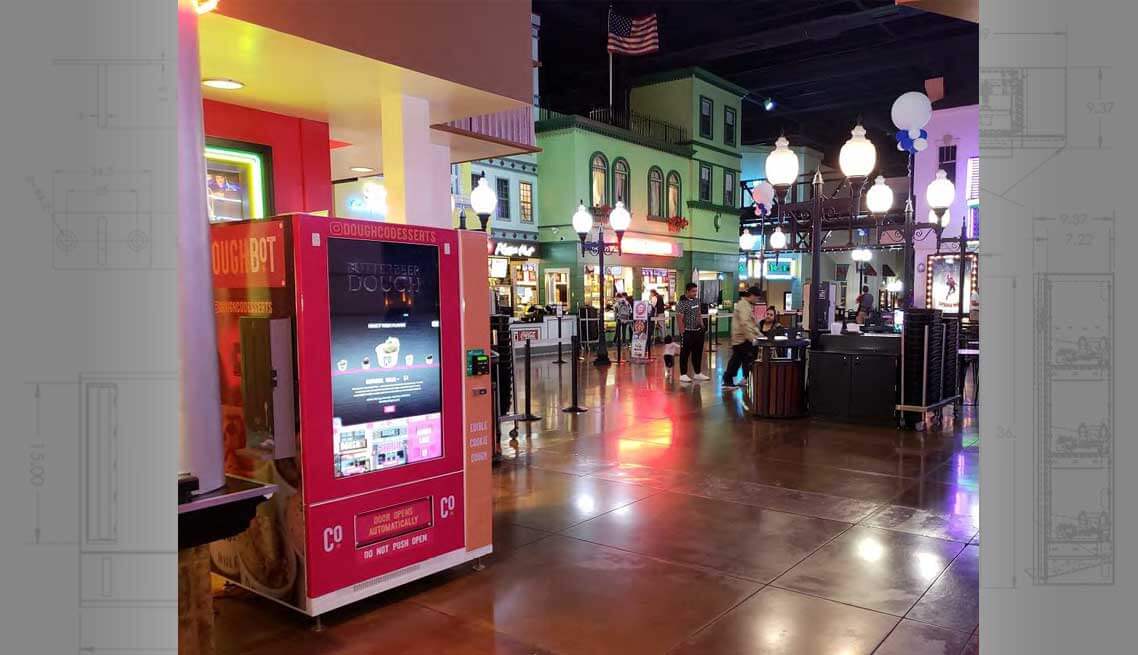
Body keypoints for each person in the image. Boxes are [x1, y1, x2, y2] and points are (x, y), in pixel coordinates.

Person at [722, 287, 761, 389]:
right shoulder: (744, 305)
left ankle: (732, 379)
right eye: (757, 298)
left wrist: (759, 335)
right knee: (745, 359)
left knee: (738, 359)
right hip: (743, 338)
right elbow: (745, 323)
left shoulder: (745, 304)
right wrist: (752, 338)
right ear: (752, 296)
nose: (757, 301)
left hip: (740, 338)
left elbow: (750, 323)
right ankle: (734, 379)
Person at [676, 282, 709, 382]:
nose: (695, 293)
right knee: (685, 354)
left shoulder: (697, 301)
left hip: (698, 332)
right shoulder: (681, 304)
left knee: (698, 353)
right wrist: (683, 333)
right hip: (687, 332)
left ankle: (697, 373)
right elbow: (679, 319)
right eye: (693, 291)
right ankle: (683, 374)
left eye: (696, 291)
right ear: (687, 291)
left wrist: (703, 327)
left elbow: (699, 314)